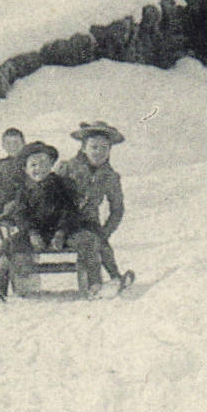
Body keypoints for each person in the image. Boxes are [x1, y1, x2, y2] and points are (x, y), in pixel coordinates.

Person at [0, 142, 97, 298]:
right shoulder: (23, 190)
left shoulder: (62, 185)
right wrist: (32, 233)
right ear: (25, 169)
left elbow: (70, 211)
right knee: (9, 244)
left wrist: (61, 232)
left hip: (63, 233)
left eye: (44, 164)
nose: (38, 169)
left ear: (51, 165)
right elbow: (20, 215)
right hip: (35, 234)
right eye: (33, 165)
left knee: (88, 240)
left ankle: (94, 284)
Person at [58, 120, 134, 290]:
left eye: (104, 148)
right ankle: (95, 285)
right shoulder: (67, 168)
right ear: (84, 148)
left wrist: (106, 231)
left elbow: (117, 208)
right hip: (62, 225)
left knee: (100, 242)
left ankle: (116, 278)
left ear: (109, 151)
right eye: (94, 147)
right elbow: (48, 194)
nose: (98, 152)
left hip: (89, 223)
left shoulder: (110, 176)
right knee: (91, 240)